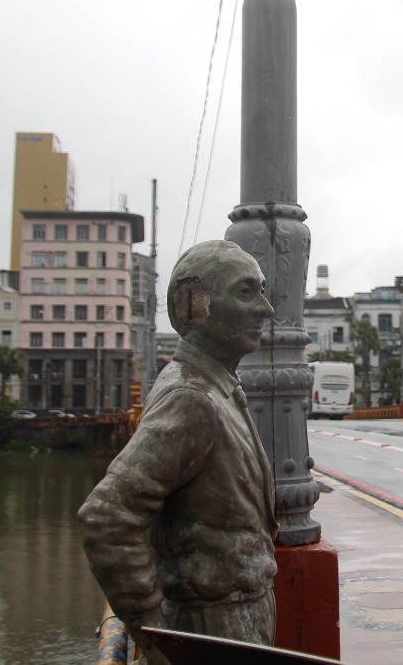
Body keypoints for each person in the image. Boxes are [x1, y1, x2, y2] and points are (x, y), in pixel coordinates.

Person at [78, 240, 278, 661]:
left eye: (262, 291)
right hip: (209, 633)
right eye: (246, 292)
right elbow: (108, 518)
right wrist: (157, 638)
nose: (266, 308)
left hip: (234, 623)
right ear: (193, 304)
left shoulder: (214, 387)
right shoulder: (192, 399)